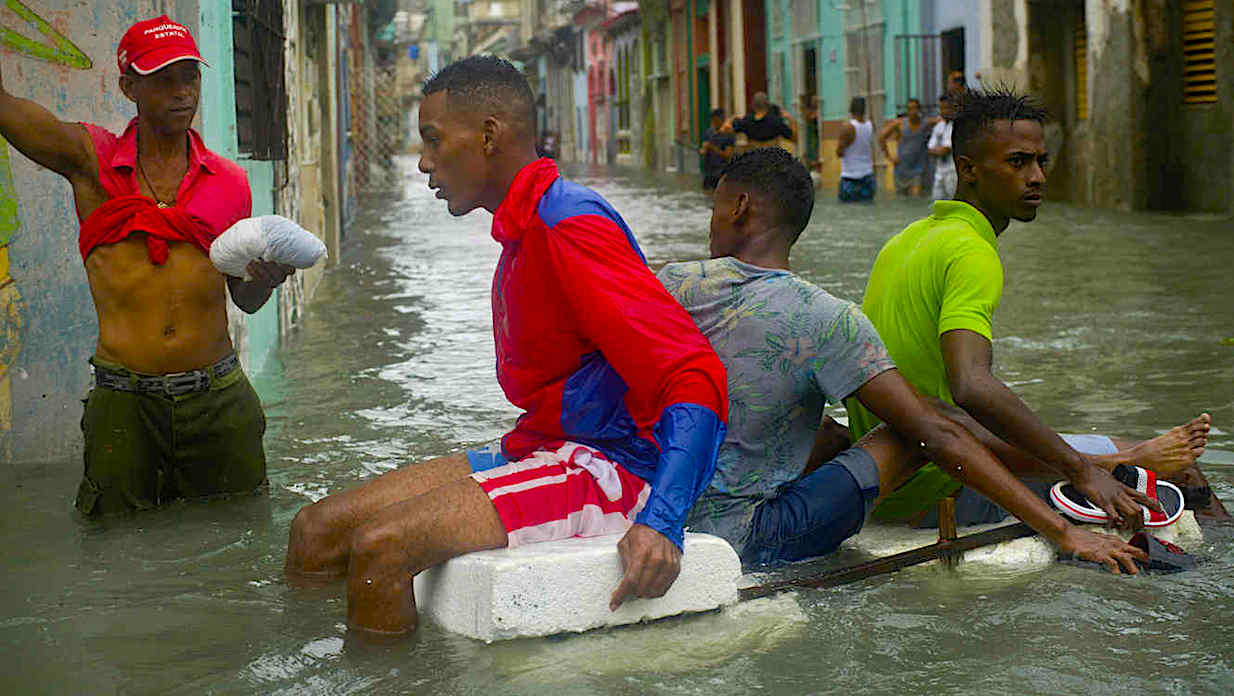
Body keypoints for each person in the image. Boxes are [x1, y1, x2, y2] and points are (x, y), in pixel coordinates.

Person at [284, 56, 729, 637]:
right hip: (545, 446)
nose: (423, 162)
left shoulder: (568, 224)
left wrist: (664, 523)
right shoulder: (526, 227)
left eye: (433, 140)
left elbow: (696, 373)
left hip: (614, 467)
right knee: (316, 531)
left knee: (381, 549)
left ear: (488, 135)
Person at [657, 148, 1148, 571]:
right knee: (916, 427)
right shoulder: (826, 318)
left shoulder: (671, 284)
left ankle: (1094, 463)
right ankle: (1095, 466)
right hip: (754, 538)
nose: (712, 222)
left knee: (829, 431)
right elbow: (937, 435)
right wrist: (1062, 532)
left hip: (660, 513)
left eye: (714, 209)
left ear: (740, 206)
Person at [846, 87, 1226, 529]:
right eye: (1017, 162)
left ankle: (1114, 458)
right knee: (1181, 471)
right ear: (967, 169)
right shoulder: (972, 252)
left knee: (1124, 455)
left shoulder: (905, 240)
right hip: (942, 488)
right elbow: (970, 386)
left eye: (1040, 161)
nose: (1037, 177)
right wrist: (1084, 469)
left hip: (890, 483)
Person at [0, 16, 293, 516]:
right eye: (163, 79)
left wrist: (266, 280)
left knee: (239, 542)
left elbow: (242, 296)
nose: (182, 93)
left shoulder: (228, 182)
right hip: (125, 405)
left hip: (218, 400)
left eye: (190, 76)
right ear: (128, 86)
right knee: (114, 555)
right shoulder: (92, 162)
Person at [879, 97, 935, 198]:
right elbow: (882, 137)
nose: (913, 112)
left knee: (917, 199)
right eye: (910, 109)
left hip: (918, 170)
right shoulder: (900, 123)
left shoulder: (925, 123)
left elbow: (941, 120)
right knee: (901, 200)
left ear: (919, 110)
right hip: (901, 170)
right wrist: (889, 157)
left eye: (915, 109)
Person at [836, 97, 875, 203]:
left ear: (851, 108)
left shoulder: (848, 127)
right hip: (868, 177)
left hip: (850, 178)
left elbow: (839, 153)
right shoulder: (870, 125)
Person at [727, 92, 793, 150]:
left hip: (754, 158)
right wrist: (791, 119)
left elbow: (726, 129)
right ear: (767, 105)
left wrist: (733, 117)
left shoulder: (747, 120)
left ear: (753, 106)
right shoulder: (775, 120)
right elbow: (792, 137)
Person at [928, 93, 957, 201]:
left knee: (952, 201)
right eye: (941, 108)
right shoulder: (938, 127)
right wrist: (938, 150)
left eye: (946, 108)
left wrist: (938, 150)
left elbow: (945, 150)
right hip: (939, 170)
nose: (943, 111)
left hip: (953, 170)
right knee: (936, 201)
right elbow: (930, 148)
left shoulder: (956, 126)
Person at [699, 108, 736, 192]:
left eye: (716, 120)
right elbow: (703, 150)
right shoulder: (708, 133)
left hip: (721, 172)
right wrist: (704, 150)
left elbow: (728, 155)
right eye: (712, 120)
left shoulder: (728, 135)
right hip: (708, 171)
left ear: (721, 119)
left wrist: (713, 148)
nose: (714, 122)